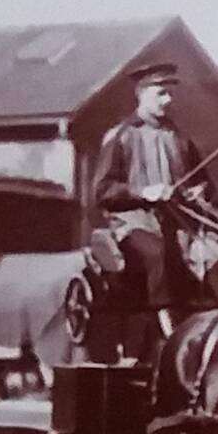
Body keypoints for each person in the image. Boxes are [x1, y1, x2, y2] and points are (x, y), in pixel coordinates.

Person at [82, 60, 195, 346]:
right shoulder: (121, 136)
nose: (168, 100)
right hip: (132, 224)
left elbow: (201, 181)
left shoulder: (178, 137)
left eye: (171, 93)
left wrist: (199, 192)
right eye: (161, 93)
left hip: (176, 224)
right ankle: (171, 335)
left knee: (212, 256)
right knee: (158, 254)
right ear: (141, 94)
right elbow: (102, 191)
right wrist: (145, 192)